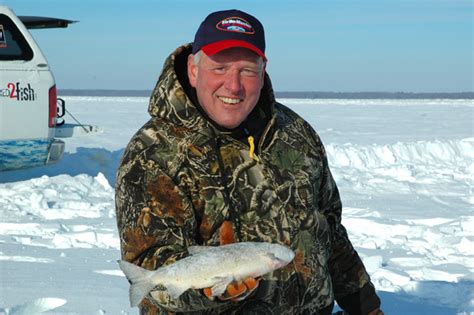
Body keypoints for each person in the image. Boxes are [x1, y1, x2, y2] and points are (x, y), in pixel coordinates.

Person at [115, 9, 383, 315]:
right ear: (193, 69)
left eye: (247, 70)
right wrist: (212, 290)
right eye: (219, 68)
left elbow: (330, 232)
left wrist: (366, 307)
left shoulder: (295, 135)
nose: (233, 86)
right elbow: (152, 269)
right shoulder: (153, 154)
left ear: (263, 69)